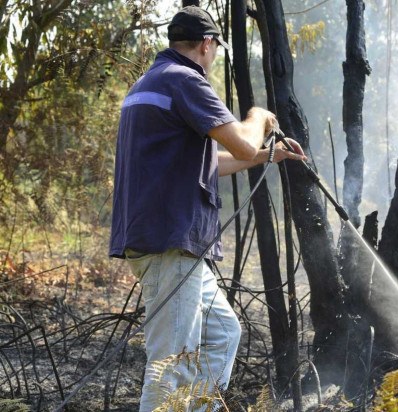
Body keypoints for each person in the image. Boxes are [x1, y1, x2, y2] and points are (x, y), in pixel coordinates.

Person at [109, 6, 306, 411]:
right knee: (171, 366)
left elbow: (211, 162)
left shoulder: (152, 82)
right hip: (171, 246)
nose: (214, 56)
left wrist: (270, 156)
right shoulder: (185, 81)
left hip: (169, 244)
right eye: (215, 48)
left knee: (222, 336)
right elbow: (245, 142)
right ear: (206, 43)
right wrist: (259, 118)